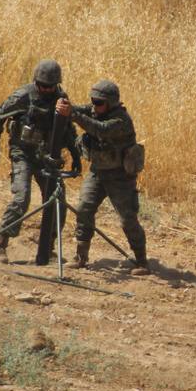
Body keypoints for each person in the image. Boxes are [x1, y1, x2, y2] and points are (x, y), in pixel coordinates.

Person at [0, 59, 79, 263]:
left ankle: (48, 246)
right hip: (23, 153)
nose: (46, 89)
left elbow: (69, 131)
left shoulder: (61, 99)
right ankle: (0, 244)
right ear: (36, 82)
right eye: (42, 85)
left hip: (46, 157)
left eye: (50, 86)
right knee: (21, 198)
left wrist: (75, 154)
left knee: (58, 201)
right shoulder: (24, 96)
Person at [57, 79, 148, 274]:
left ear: (112, 103)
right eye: (93, 101)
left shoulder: (121, 121)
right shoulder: (95, 109)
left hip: (120, 176)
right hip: (98, 172)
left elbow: (100, 129)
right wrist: (64, 105)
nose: (95, 105)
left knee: (127, 219)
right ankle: (81, 257)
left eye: (99, 102)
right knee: (84, 209)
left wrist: (71, 114)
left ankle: (142, 261)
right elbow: (81, 111)